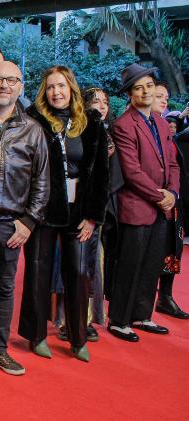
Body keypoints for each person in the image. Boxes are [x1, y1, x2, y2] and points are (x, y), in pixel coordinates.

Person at [19, 66, 109, 362]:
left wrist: (93, 216)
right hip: (43, 206)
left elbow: (100, 173)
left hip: (79, 209)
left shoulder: (91, 121)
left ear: (71, 87)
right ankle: (36, 335)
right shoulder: (33, 118)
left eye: (61, 86)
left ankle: (78, 337)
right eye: (50, 87)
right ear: (44, 91)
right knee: (37, 270)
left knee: (79, 272)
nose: (56, 92)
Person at [0, 61, 49, 375]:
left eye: (12, 80)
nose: (5, 85)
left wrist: (29, 221)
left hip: (10, 225)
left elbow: (42, 182)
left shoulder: (33, 129)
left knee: (4, 289)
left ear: (21, 86)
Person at [108, 64, 181, 341]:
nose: (145, 91)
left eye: (149, 85)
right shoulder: (124, 125)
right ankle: (119, 319)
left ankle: (142, 315)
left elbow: (173, 163)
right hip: (137, 205)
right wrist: (159, 196)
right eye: (138, 88)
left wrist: (172, 194)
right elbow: (131, 171)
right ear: (130, 94)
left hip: (163, 206)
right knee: (130, 263)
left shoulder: (162, 122)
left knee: (152, 263)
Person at [82, 87, 124, 340]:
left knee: (96, 265)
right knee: (79, 265)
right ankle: (71, 318)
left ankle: (90, 316)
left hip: (105, 208)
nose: (101, 105)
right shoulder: (80, 131)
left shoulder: (110, 135)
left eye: (105, 102)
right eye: (95, 101)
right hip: (81, 208)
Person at [150, 83, 189, 320]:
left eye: (166, 97)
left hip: (175, 200)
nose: (164, 100)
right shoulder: (141, 126)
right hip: (152, 200)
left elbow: (175, 166)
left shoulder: (166, 128)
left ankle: (165, 296)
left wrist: (174, 193)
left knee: (173, 249)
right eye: (159, 96)